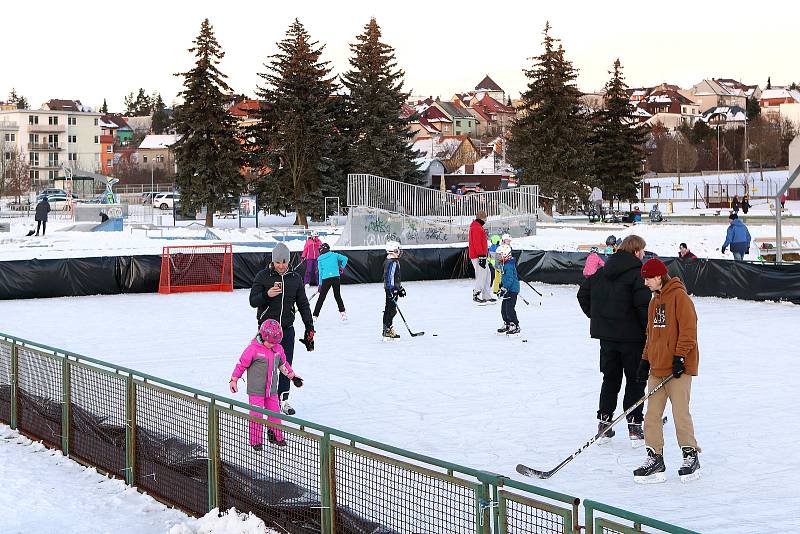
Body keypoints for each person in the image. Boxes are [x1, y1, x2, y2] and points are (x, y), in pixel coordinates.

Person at [577, 235, 651, 447]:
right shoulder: (638, 275)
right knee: (636, 380)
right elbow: (643, 307)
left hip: (608, 338)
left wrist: (600, 318)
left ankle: (604, 422)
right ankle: (635, 425)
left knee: (610, 379)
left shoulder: (602, 272)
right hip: (633, 339)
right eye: (643, 251)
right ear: (636, 251)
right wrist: (648, 332)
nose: (644, 255)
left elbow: (583, 294)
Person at [633, 258, 700, 483]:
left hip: (678, 369)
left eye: (648, 278)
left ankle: (690, 455)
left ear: (659, 276)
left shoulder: (680, 297)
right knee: (651, 416)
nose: (645, 283)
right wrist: (645, 360)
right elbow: (651, 336)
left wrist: (679, 356)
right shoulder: (653, 302)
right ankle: (655, 457)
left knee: (680, 413)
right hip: (657, 368)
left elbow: (689, 331)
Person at [249, 242, 315, 416]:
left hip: (286, 330)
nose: (281, 265)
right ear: (273, 261)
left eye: (284, 262)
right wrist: (267, 295)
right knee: (265, 367)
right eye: (278, 262)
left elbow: (303, 304)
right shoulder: (263, 276)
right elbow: (252, 301)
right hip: (265, 334)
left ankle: (283, 399)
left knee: (286, 365)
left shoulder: (295, 279)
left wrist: (309, 326)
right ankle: (265, 400)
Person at [229, 319, 304, 449]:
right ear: (263, 336)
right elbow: (241, 364)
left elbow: (283, 364)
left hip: (272, 390)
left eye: (275, 342)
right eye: (270, 342)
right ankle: (256, 441)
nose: (272, 345)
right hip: (256, 391)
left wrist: (292, 376)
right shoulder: (253, 349)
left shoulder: (278, 349)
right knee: (256, 416)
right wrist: (234, 379)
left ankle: (276, 436)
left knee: (275, 414)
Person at [312, 243, 348, 322]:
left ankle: (315, 316)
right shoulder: (334, 255)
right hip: (336, 277)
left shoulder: (320, 259)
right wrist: (342, 267)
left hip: (325, 279)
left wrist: (320, 284)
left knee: (321, 298)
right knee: (337, 296)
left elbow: (321, 272)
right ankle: (343, 313)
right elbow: (345, 258)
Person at [468, 210, 495, 305]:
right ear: (482, 218)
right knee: (481, 275)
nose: (486, 220)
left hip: (481, 255)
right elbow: (477, 243)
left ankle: (486, 295)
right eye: (485, 218)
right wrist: (481, 255)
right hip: (478, 256)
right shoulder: (476, 228)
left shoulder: (477, 227)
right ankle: (477, 294)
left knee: (487, 274)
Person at [382, 239, 405, 340]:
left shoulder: (390, 261)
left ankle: (387, 328)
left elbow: (393, 278)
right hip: (391, 290)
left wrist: (399, 288)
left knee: (390, 309)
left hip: (391, 289)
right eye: (398, 250)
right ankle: (387, 329)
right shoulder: (392, 262)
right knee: (390, 309)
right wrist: (393, 290)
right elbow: (390, 277)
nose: (399, 252)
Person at [496, 244, 521, 336]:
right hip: (507, 289)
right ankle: (507, 323)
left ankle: (515, 324)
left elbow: (510, 279)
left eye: (499, 255)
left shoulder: (509, 265)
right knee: (504, 309)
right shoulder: (504, 264)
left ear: (505, 255)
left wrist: (504, 288)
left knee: (510, 308)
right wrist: (501, 286)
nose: (498, 257)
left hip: (512, 290)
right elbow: (505, 277)